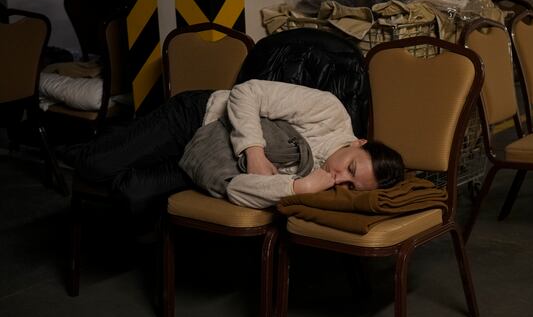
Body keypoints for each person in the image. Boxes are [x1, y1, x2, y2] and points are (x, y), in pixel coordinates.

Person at [74, 80, 405, 214]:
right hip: (195, 118)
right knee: (94, 167)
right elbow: (247, 92)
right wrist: (254, 152)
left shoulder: (322, 187)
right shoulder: (329, 111)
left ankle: (128, 148)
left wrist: (299, 186)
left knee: (131, 193)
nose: (339, 178)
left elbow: (243, 189)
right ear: (360, 142)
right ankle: (86, 145)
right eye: (350, 167)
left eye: (351, 185)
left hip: (210, 158)